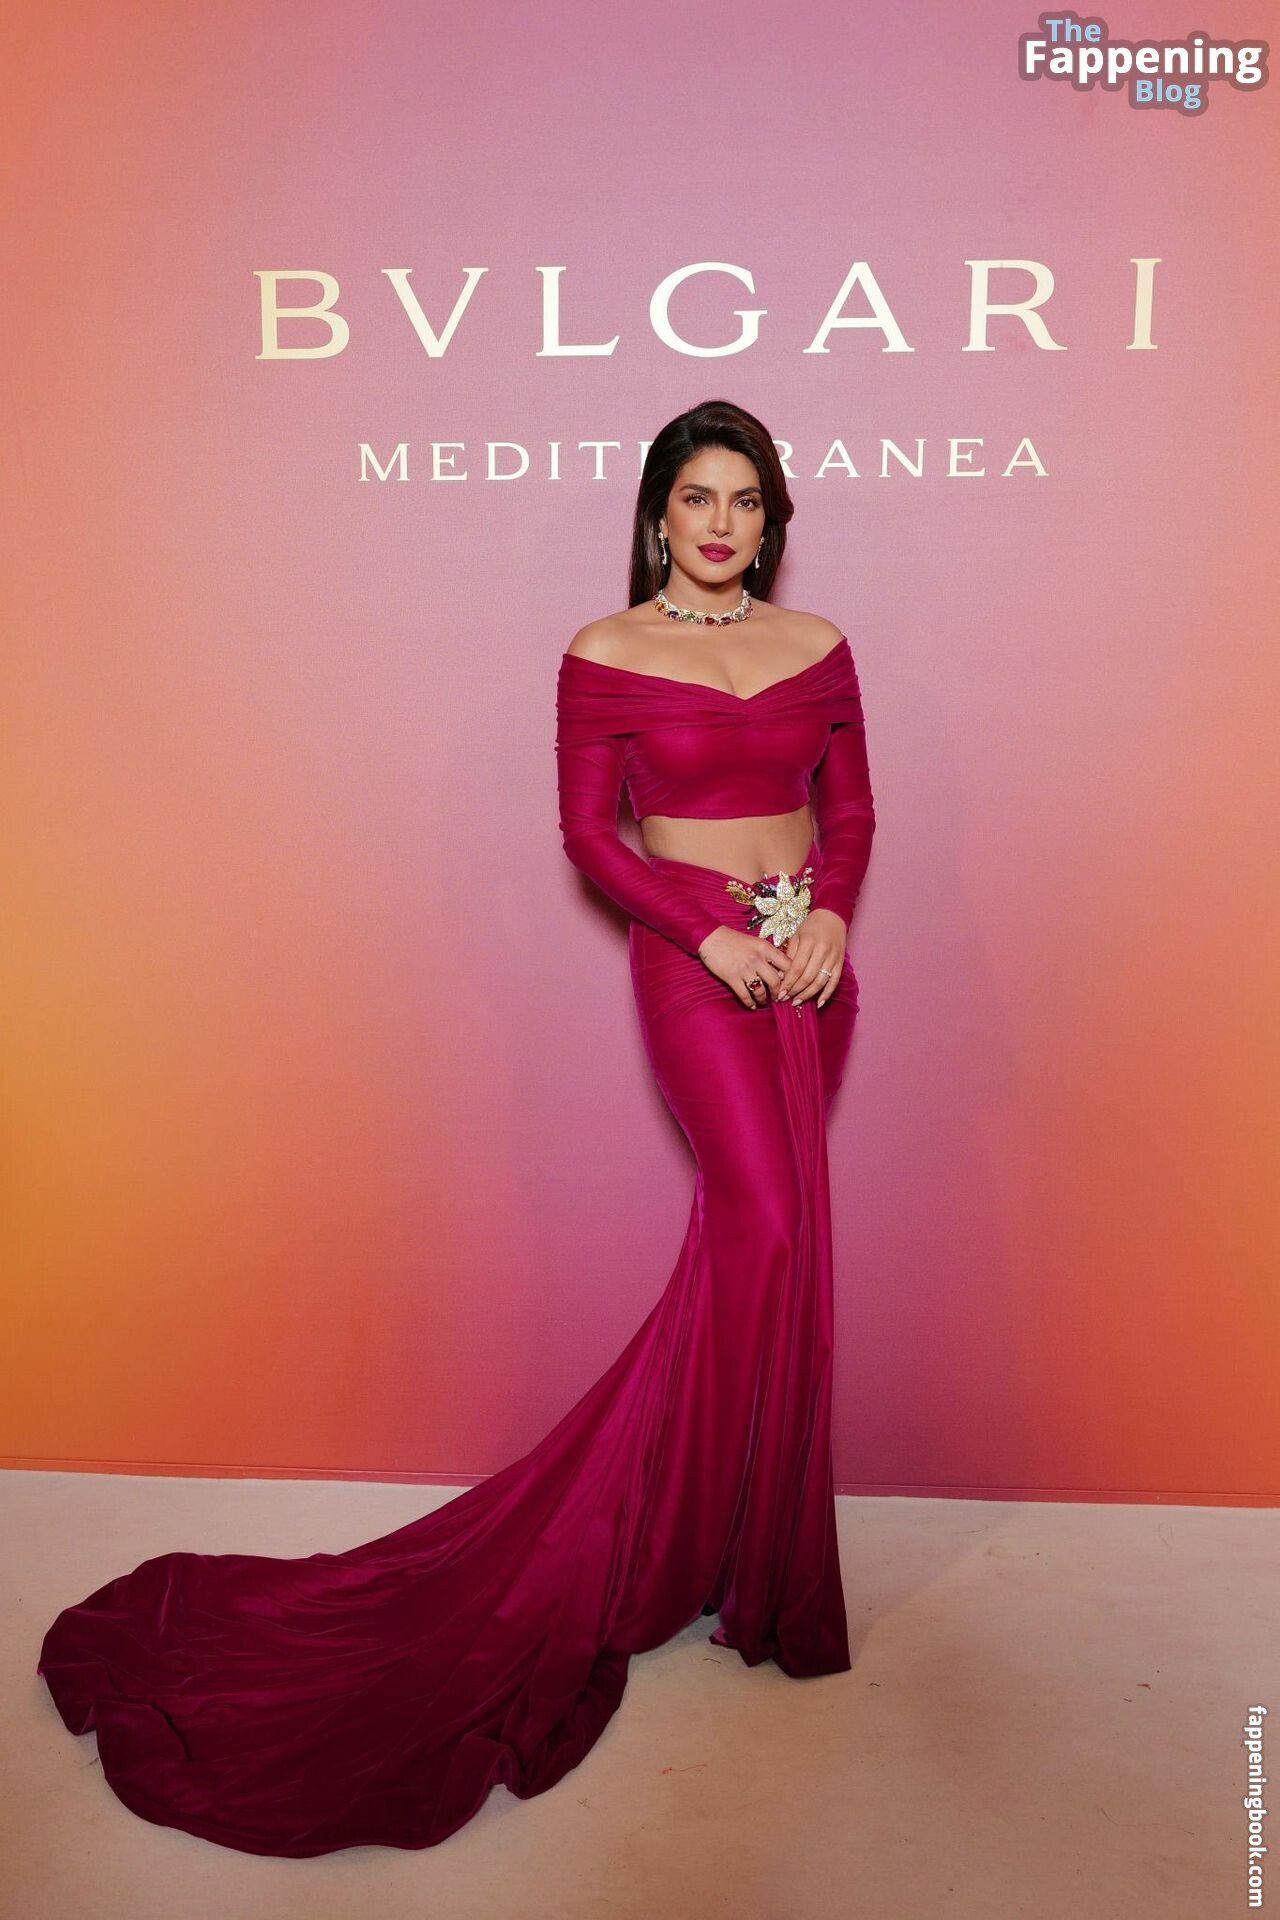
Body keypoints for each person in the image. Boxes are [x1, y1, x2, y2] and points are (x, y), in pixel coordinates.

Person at [35, 398, 876, 1857]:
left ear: (772, 518)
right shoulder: (604, 650)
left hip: (810, 968)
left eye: (745, 500)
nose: (722, 523)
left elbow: (851, 815)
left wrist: (832, 921)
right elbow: (589, 835)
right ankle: (670, 1545)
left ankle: (735, 1547)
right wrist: (707, 933)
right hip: (699, 966)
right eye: (697, 498)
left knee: (768, 1258)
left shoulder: (821, 646)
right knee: (769, 1231)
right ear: (658, 514)